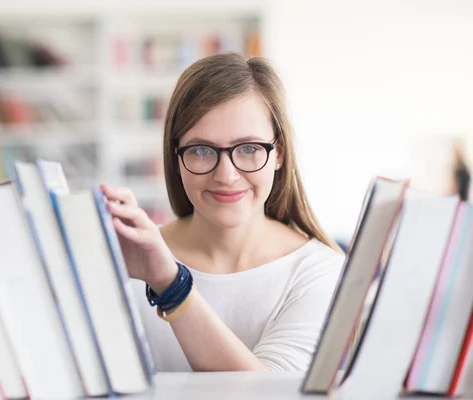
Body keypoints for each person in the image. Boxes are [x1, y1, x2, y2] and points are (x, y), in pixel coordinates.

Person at [100, 53, 344, 372]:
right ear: (175, 158)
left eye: (248, 149)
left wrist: (170, 285)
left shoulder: (321, 272)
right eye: (201, 150)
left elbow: (270, 395)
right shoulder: (126, 259)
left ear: (279, 154)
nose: (226, 175)